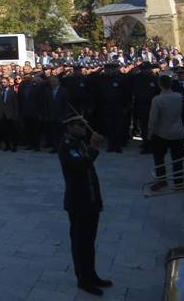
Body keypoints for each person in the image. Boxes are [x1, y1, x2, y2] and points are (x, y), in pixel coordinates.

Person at [58, 113, 112, 296]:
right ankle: (83, 279)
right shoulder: (66, 146)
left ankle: (92, 274)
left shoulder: (79, 142)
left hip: (90, 199)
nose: (83, 128)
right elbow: (80, 165)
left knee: (90, 241)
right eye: (79, 126)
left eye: (83, 125)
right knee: (80, 242)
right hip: (78, 201)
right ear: (69, 128)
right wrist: (93, 147)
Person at [148, 74, 184, 191]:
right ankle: (179, 183)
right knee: (178, 159)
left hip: (161, 133)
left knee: (159, 158)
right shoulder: (179, 96)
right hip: (178, 132)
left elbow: (153, 119)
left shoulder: (157, 99)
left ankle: (161, 180)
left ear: (160, 85)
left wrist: (150, 131)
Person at [0, 76, 19, 152]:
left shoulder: (13, 92)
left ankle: (14, 146)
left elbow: (15, 105)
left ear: (8, 83)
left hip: (10, 115)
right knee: (5, 132)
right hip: (2, 115)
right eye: (2, 82)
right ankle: (7, 145)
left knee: (13, 132)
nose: (3, 84)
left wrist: (15, 115)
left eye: (5, 82)